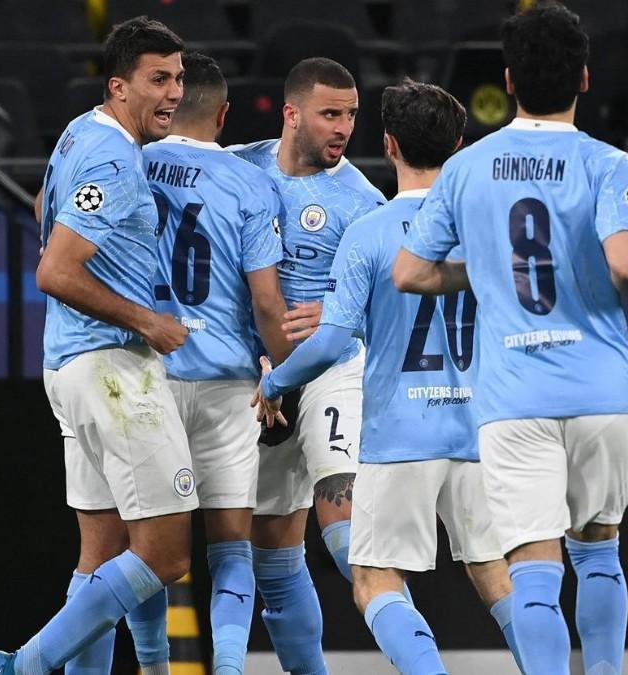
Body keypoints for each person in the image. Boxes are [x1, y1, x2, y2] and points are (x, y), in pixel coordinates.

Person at [393, 5, 628, 675]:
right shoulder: (608, 163)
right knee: (599, 548)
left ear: (508, 81)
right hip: (601, 390)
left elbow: (411, 271)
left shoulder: (467, 168)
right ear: (585, 78)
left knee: (533, 565)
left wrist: (484, 273)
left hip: (514, 399)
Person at [253, 79, 527, 675]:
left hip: (399, 439)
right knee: (497, 575)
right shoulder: (484, 230)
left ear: (389, 143)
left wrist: (275, 384)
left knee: (374, 579)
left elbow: (328, 343)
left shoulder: (370, 231)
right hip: (478, 433)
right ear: (458, 145)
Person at [0, 17, 195, 675]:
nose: (174, 93)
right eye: (159, 79)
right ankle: (25, 666)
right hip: (113, 370)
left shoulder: (79, 131)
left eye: (179, 78)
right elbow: (55, 269)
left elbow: (47, 202)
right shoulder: (113, 158)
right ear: (120, 85)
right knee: (166, 552)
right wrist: (146, 319)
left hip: (70, 364)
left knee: (100, 557)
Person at [231, 57, 386, 675]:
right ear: (291, 112)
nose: (344, 127)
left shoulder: (363, 201)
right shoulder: (237, 166)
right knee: (273, 553)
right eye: (330, 114)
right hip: (257, 378)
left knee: (342, 521)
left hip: (329, 370)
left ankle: (401, 623)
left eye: (351, 114)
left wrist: (344, 313)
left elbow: (393, 306)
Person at [140, 51, 292, 675]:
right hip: (229, 384)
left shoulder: (135, 161)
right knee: (231, 548)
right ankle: (227, 669)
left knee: (145, 549)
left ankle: (154, 670)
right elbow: (265, 301)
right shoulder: (252, 185)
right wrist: (279, 377)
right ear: (226, 114)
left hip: (151, 374)